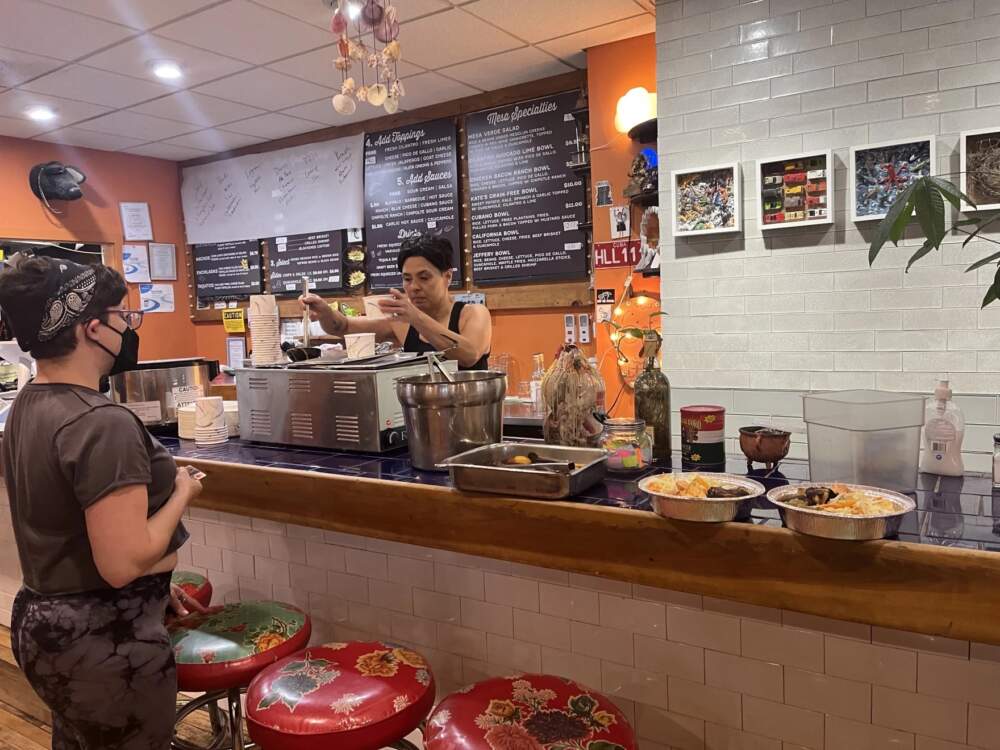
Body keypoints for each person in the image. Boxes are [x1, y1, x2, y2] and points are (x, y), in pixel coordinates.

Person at [0, 255, 204, 749]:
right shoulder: (100, 422)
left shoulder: (30, 402)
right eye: (124, 316)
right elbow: (121, 562)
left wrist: (151, 596)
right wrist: (183, 490)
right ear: (92, 328)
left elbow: (69, 530)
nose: (131, 328)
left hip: (48, 623)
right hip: (105, 645)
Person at [300, 234, 492, 370]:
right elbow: (343, 327)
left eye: (424, 278)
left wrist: (416, 318)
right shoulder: (403, 324)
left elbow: (468, 355)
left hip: (470, 421)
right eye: (407, 279)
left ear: (447, 276)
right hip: (423, 420)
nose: (414, 287)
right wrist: (324, 311)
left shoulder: (473, 313)